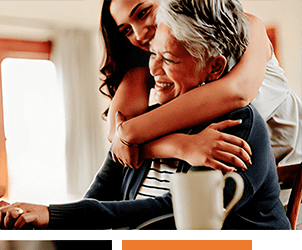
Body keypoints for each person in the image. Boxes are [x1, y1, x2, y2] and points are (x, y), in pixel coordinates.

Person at [0, 0, 289, 230]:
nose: (142, 37)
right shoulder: (152, 111)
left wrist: (131, 136)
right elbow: (103, 185)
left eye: (168, 58)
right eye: (152, 55)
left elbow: (177, 213)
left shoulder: (236, 120)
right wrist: (34, 213)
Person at [102, 0, 302, 169]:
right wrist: (181, 146)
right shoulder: (149, 67)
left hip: (293, 186)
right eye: (127, 30)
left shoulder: (248, 28)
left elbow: (237, 93)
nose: (139, 35)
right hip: (233, 193)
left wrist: (130, 133)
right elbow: (117, 138)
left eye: (143, 13)